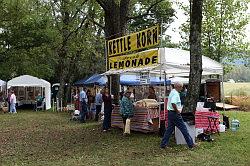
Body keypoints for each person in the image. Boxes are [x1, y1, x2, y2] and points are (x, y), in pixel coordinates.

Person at [160, 82, 196, 149]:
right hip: (175, 113)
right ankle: (191, 144)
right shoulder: (176, 94)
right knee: (184, 129)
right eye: (181, 87)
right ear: (179, 87)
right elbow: (173, 103)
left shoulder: (172, 92)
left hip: (170, 113)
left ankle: (163, 144)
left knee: (169, 130)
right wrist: (177, 111)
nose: (182, 89)